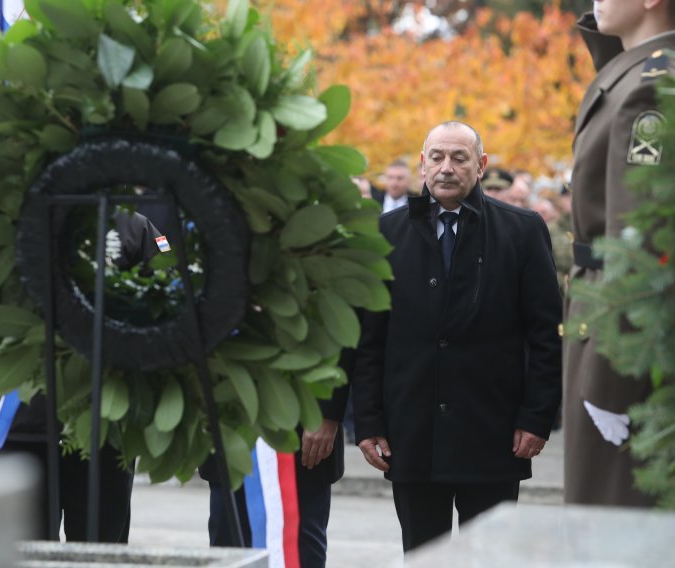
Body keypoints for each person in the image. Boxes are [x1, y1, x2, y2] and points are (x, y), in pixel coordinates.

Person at [353, 121, 562, 552]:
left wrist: (536, 416)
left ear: (481, 165)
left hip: (494, 432)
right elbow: (369, 339)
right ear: (423, 165)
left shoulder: (521, 231)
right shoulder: (386, 234)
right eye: (437, 157)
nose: (447, 168)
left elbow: (545, 335)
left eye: (459, 158)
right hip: (412, 434)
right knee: (423, 554)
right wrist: (369, 421)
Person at [564, 0, 675, 507]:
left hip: (621, 336)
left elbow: (641, 250)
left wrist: (617, 366)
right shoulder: (653, 71)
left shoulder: (654, 87)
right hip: (611, 315)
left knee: (614, 505)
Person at [0, 209, 164, 541]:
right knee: (24, 550)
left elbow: (166, 311)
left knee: (99, 551)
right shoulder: (12, 215)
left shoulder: (133, 225)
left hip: (105, 428)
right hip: (26, 427)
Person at [204, 358, 350, 568]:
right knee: (228, 543)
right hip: (226, 416)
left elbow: (344, 342)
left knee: (302, 549)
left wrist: (327, 411)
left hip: (301, 422)